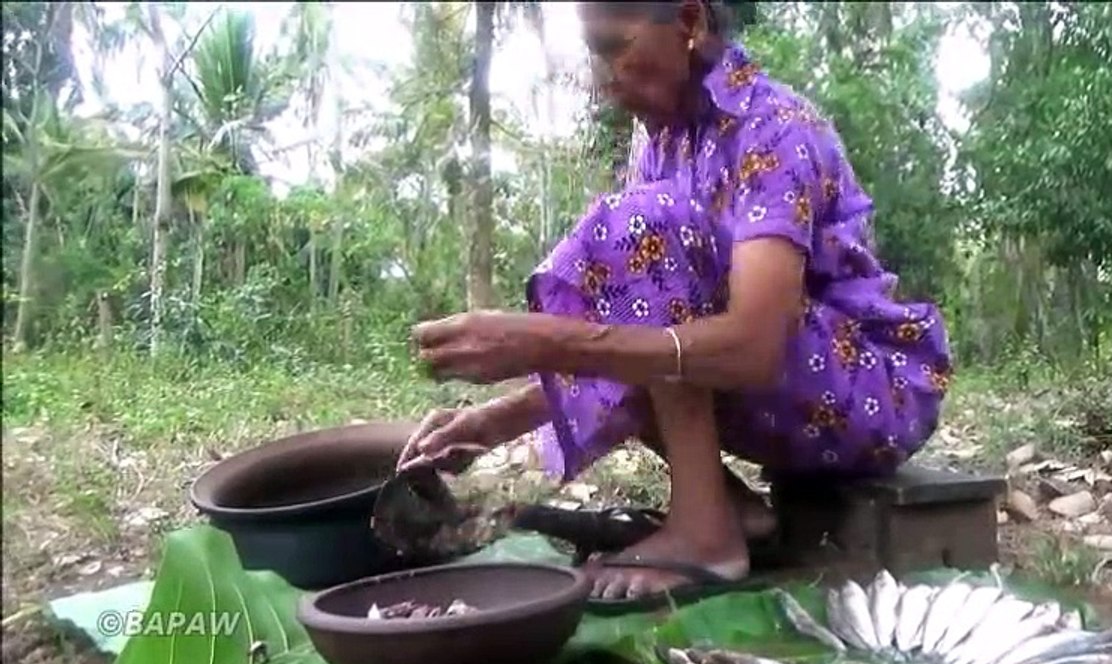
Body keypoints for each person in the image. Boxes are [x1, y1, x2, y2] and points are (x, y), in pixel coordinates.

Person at [396, 0, 952, 609]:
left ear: (689, 23)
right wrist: (493, 422)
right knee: (635, 283)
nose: (603, 82)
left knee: (641, 231)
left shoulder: (775, 128)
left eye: (614, 49)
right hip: (789, 394)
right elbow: (647, 321)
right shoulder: (664, 143)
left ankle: (705, 537)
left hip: (870, 394)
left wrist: (542, 343)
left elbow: (753, 349)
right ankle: (726, 509)